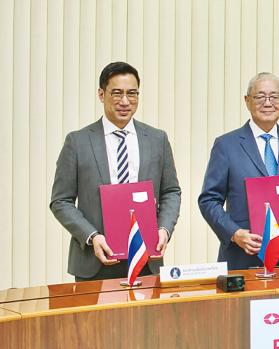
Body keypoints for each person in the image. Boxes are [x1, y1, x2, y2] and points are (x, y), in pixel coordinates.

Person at [50, 62, 181, 281]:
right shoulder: (78, 141)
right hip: (94, 261)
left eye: (132, 94)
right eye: (117, 93)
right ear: (101, 94)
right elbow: (60, 201)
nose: (125, 101)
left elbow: (171, 191)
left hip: (146, 259)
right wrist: (92, 236)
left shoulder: (158, 139)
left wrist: (164, 229)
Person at [199, 72, 279, 270]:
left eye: (274, 96)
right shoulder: (226, 145)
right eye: (260, 96)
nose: (268, 103)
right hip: (242, 256)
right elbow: (208, 200)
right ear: (247, 101)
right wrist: (234, 233)